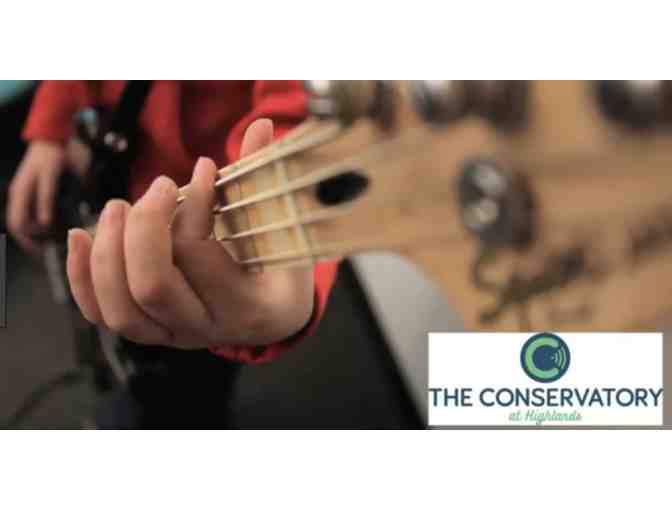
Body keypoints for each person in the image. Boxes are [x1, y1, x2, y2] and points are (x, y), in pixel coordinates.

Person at [6, 81, 338, 426]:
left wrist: (291, 268)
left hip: (212, 260)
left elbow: (300, 121)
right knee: (134, 349)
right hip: (121, 181)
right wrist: (49, 131)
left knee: (186, 392)